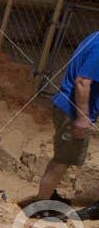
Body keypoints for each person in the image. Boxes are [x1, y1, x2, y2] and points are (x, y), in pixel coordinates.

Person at [33, 28, 98, 208]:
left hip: (68, 106)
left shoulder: (94, 36)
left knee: (63, 157)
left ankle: (48, 195)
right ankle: (41, 206)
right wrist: (83, 116)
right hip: (72, 110)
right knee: (62, 160)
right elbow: (82, 82)